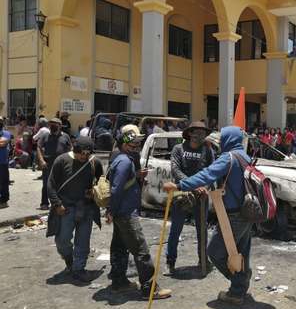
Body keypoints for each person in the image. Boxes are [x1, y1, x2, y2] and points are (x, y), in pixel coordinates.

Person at [163, 126, 252, 305]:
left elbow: (208, 174)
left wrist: (180, 186)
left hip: (233, 215)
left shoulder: (228, 157)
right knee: (241, 252)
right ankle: (240, 285)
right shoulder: (244, 156)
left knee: (214, 251)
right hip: (247, 212)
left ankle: (238, 286)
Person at [107, 124, 172, 298]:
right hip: (126, 214)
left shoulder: (123, 159)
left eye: (137, 145)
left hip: (123, 212)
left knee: (120, 247)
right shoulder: (124, 161)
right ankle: (149, 289)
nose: (135, 147)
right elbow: (116, 189)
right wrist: (111, 211)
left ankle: (119, 282)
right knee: (141, 250)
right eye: (132, 145)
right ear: (123, 143)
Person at [47, 136, 103, 282]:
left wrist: (95, 192)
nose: (84, 156)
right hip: (66, 208)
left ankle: (79, 269)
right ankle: (69, 261)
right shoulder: (61, 160)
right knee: (62, 241)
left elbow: (102, 183)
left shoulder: (94, 163)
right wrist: (57, 204)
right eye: (81, 153)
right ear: (74, 149)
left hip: (87, 208)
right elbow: (51, 184)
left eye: (87, 154)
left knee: (83, 241)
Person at [166, 122, 213, 274]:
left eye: (203, 133)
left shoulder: (207, 150)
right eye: (197, 133)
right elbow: (175, 170)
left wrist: (206, 187)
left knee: (202, 231)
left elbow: (212, 172)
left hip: (201, 196)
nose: (200, 136)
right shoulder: (178, 149)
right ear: (190, 133)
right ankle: (170, 261)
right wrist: (192, 185)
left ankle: (203, 259)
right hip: (182, 195)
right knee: (175, 230)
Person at [37, 118, 72, 210]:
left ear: (60, 126)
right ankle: (44, 203)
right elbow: (39, 147)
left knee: (61, 183)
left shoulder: (65, 136)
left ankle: (59, 202)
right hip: (48, 163)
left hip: (62, 164)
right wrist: (41, 160)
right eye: (51, 123)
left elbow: (70, 149)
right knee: (46, 184)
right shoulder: (45, 135)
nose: (52, 125)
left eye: (55, 124)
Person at [0, 117, 12, 208]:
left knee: (4, 182)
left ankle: (4, 201)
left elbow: (3, 143)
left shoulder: (6, 133)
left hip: (3, 162)